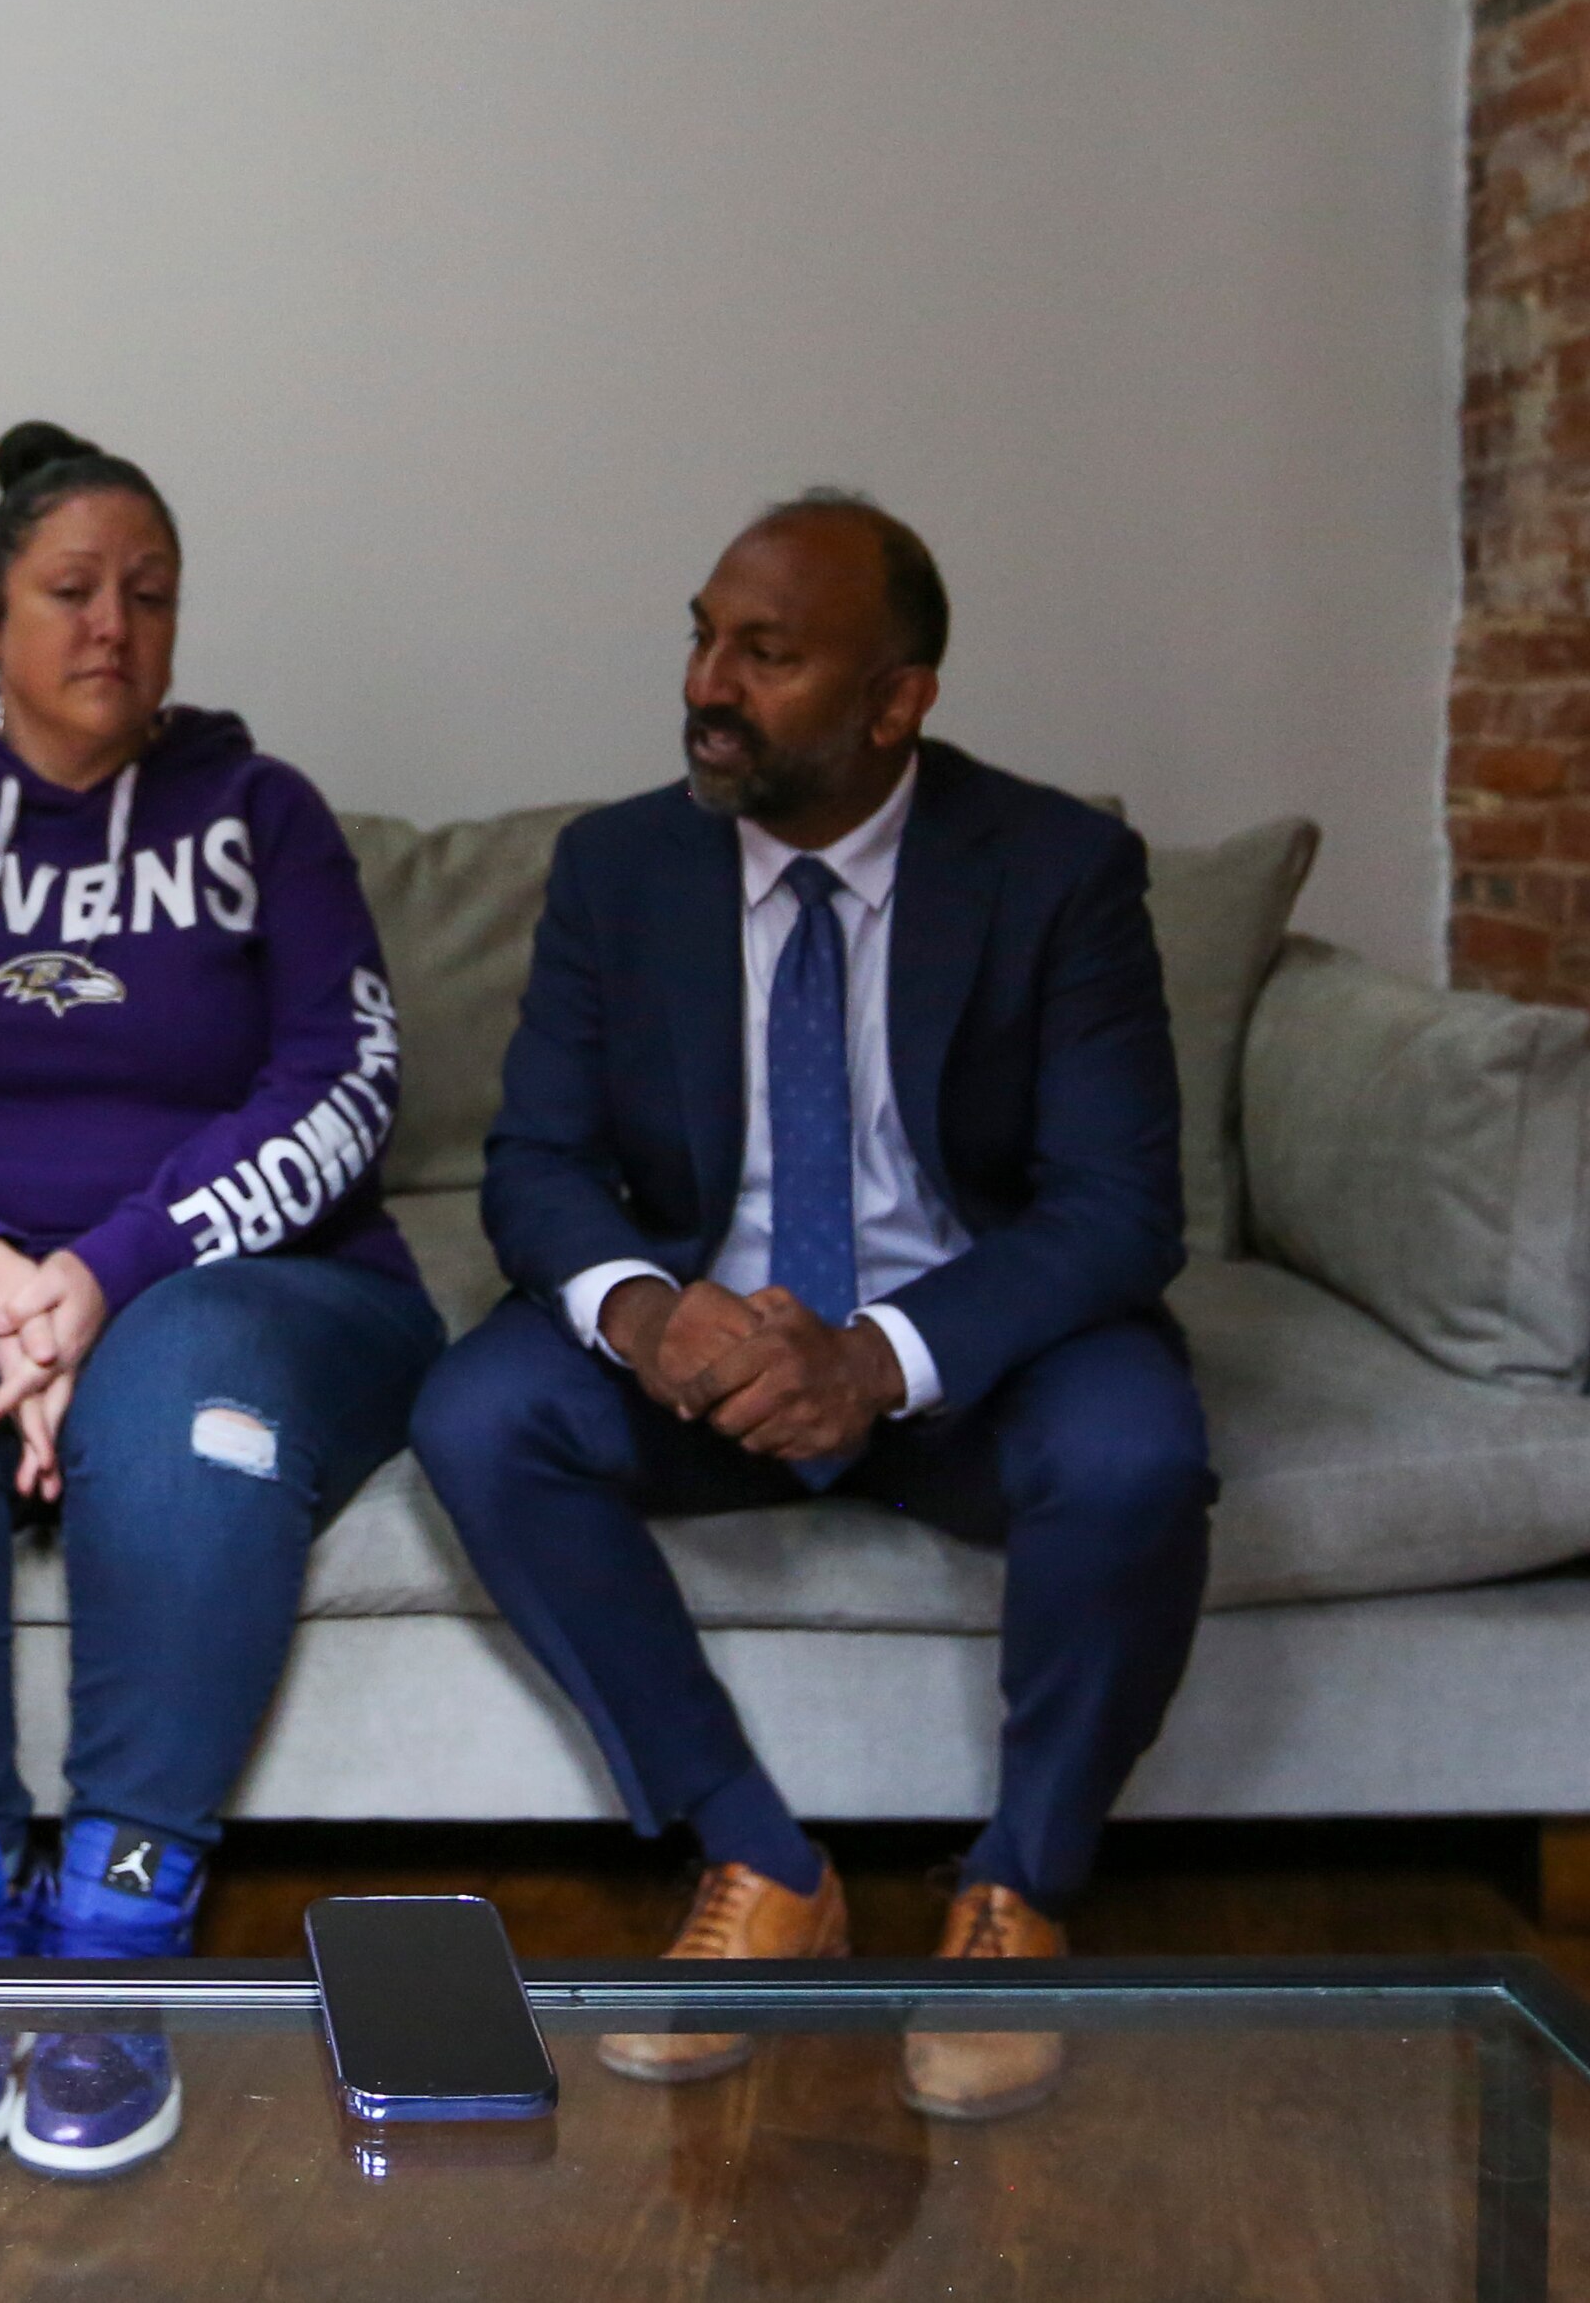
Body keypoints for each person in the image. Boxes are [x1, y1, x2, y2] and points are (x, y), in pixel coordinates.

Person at [412, 492, 1210, 2125]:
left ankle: (1018, 1894)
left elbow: (1123, 1209)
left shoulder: (1057, 867)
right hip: (710, 1364)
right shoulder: (619, 866)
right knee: (477, 1413)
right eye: (703, 635)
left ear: (895, 698)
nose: (709, 681)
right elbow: (537, 1166)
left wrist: (882, 1357)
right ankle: (761, 1860)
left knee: (1139, 1449)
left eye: (765, 653)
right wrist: (648, 1315)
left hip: (965, 1363)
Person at [0, 421, 431, 2182]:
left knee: (187, 1401)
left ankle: (123, 1931)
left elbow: (342, 1084)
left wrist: (108, 1275)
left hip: (243, 1277)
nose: (115, 629)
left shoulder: (258, 816)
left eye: (152, 596)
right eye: (72, 593)